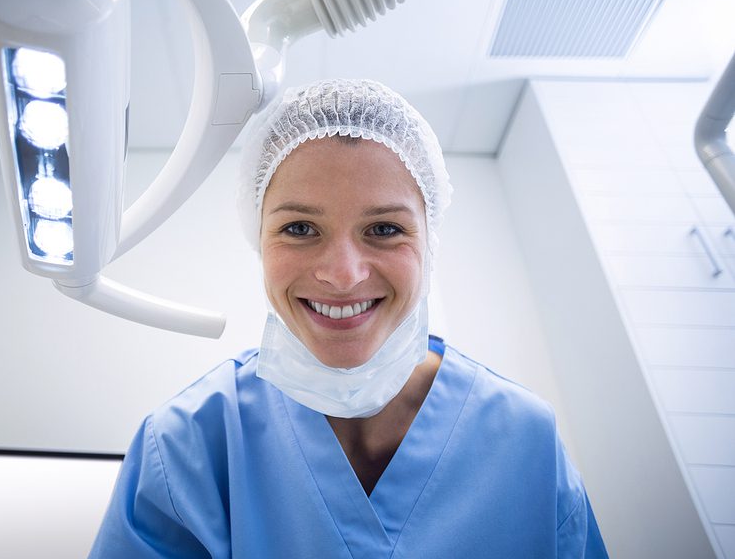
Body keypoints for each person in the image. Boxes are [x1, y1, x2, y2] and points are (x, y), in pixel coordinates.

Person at [89, 79, 608, 558]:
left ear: (430, 243)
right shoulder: (187, 448)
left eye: (383, 229)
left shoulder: (526, 443)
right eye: (299, 228)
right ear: (258, 240)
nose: (343, 274)